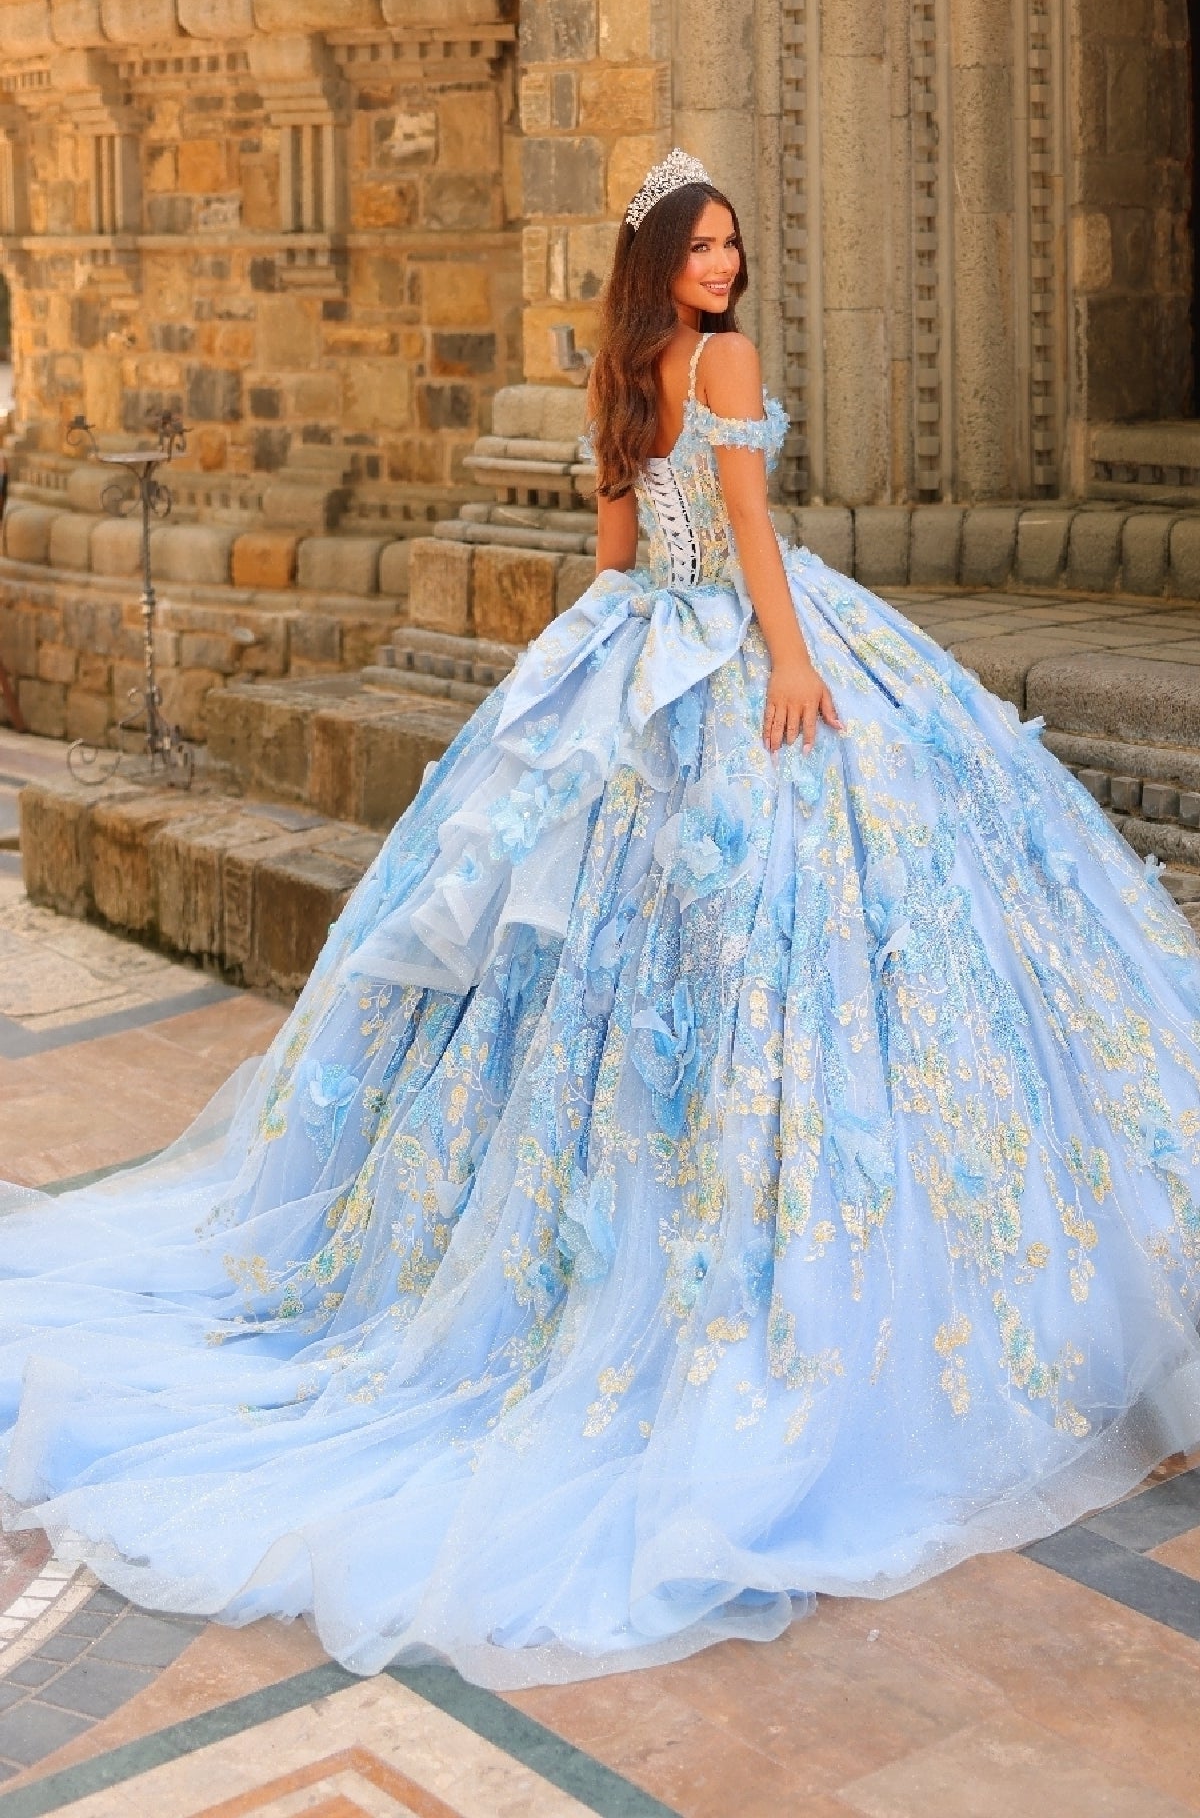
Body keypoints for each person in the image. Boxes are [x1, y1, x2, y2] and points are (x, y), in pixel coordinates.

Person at [1, 150, 1198, 1692]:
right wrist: (787, 663)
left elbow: (614, 563)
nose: (725, 265)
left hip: (637, 654)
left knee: (607, 945)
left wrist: (570, 695)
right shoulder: (717, 365)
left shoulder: (620, 375)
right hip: (735, 645)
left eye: (733, 245)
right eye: (703, 247)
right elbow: (745, 529)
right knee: (795, 928)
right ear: (660, 262)